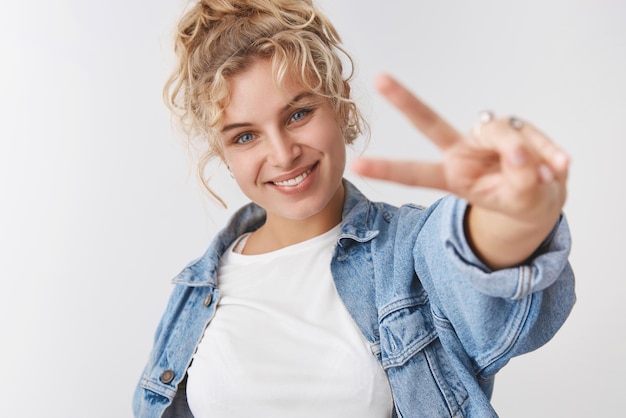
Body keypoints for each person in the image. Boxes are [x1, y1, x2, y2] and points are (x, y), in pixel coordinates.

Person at [133, 0, 575, 417]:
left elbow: (473, 259)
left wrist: (514, 212)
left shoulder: (409, 254)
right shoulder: (196, 290)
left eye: (298, 114)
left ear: (340, 103)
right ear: (223, 153)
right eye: (245, 136)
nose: (283, 154)